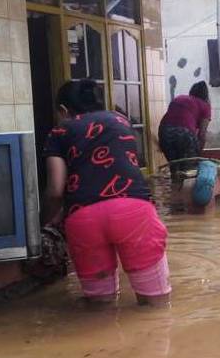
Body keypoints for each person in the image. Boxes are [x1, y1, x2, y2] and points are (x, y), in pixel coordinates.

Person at [42, 79, 171, 306]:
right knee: (156, 305)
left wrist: (42, 224)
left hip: (84, 218)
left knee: (100, 307)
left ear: (63, 110)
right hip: (134, 210)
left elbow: (55, 190)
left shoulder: (60, 131)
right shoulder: (121, 121)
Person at [158, 81, 211, 179]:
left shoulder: (179, 98)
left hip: (165, 132)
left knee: (175, 171)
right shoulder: (205, 106)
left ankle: (175, 191)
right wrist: (197, 155)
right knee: (188, 172)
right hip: (184, 134)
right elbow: (202, 135)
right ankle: (187, 193)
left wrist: (161, 141)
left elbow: (165, 119)